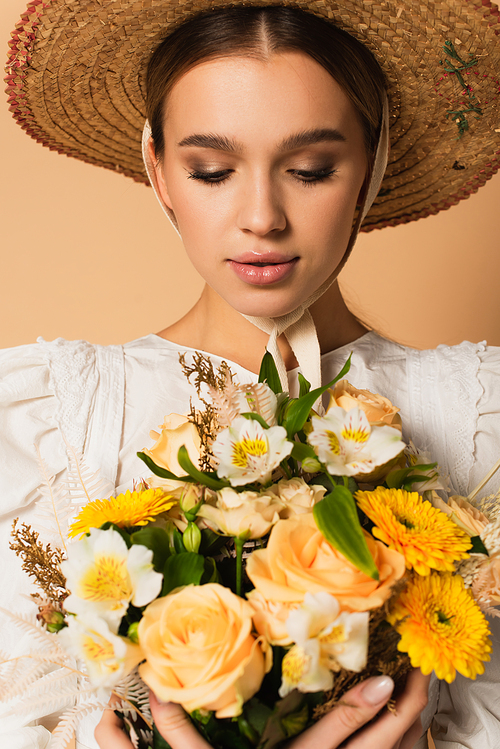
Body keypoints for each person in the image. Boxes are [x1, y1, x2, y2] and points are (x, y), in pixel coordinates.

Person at [1, 2, 499, 749]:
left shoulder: (479, 416)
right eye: (211, 170)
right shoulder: (50, 418)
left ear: (374, 163)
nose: (261, 215)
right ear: (158, 169)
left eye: (310, 169)